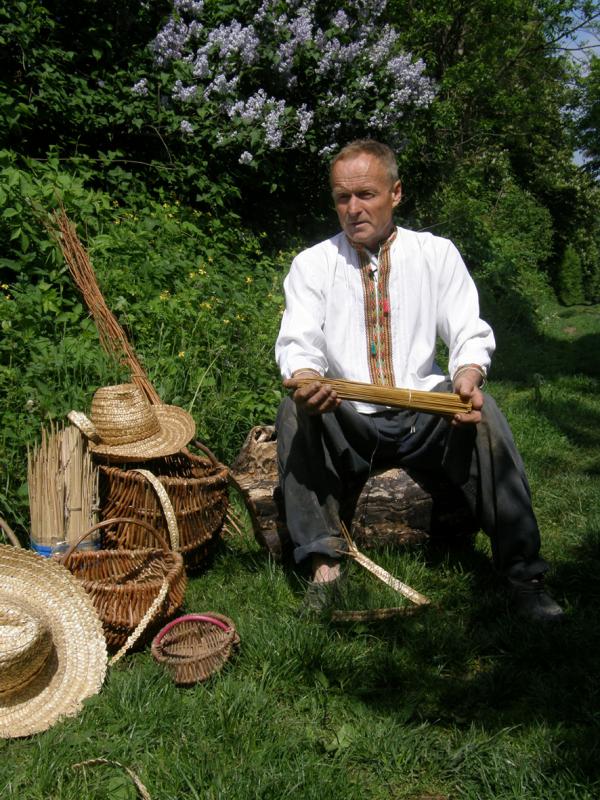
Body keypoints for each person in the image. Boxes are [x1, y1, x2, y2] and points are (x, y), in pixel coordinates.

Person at [274, 139, 564, 622]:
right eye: (342, 197)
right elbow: (298, 339)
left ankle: (523, 575)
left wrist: (467, 375)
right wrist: (305, 379)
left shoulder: (435, 253)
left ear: (396, 193)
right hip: (349, 417)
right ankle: (324, 568)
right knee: (293, 410)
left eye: (366, 194)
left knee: (483, 411)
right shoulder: (313, 264)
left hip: (423, 413)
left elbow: (468, 330)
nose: (353, 208)